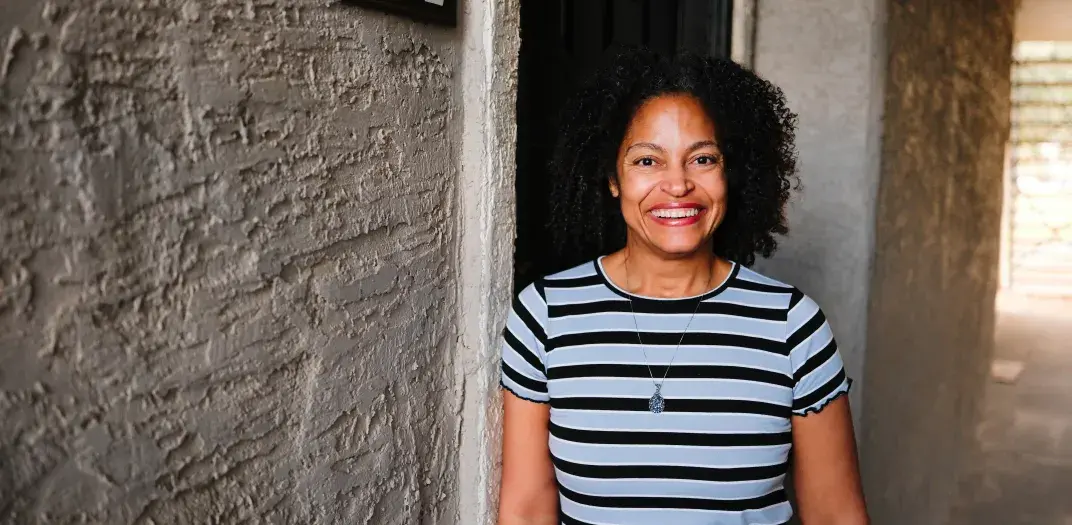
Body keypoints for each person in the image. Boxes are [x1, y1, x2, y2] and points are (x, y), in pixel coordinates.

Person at [497, 47, 870, 525]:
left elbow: (836, 516)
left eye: (703, 159)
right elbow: (526, 509)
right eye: (647, 161)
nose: (677, 185)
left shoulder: (791, 326)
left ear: (730, 173)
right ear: (613, 178)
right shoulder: (546, 316)